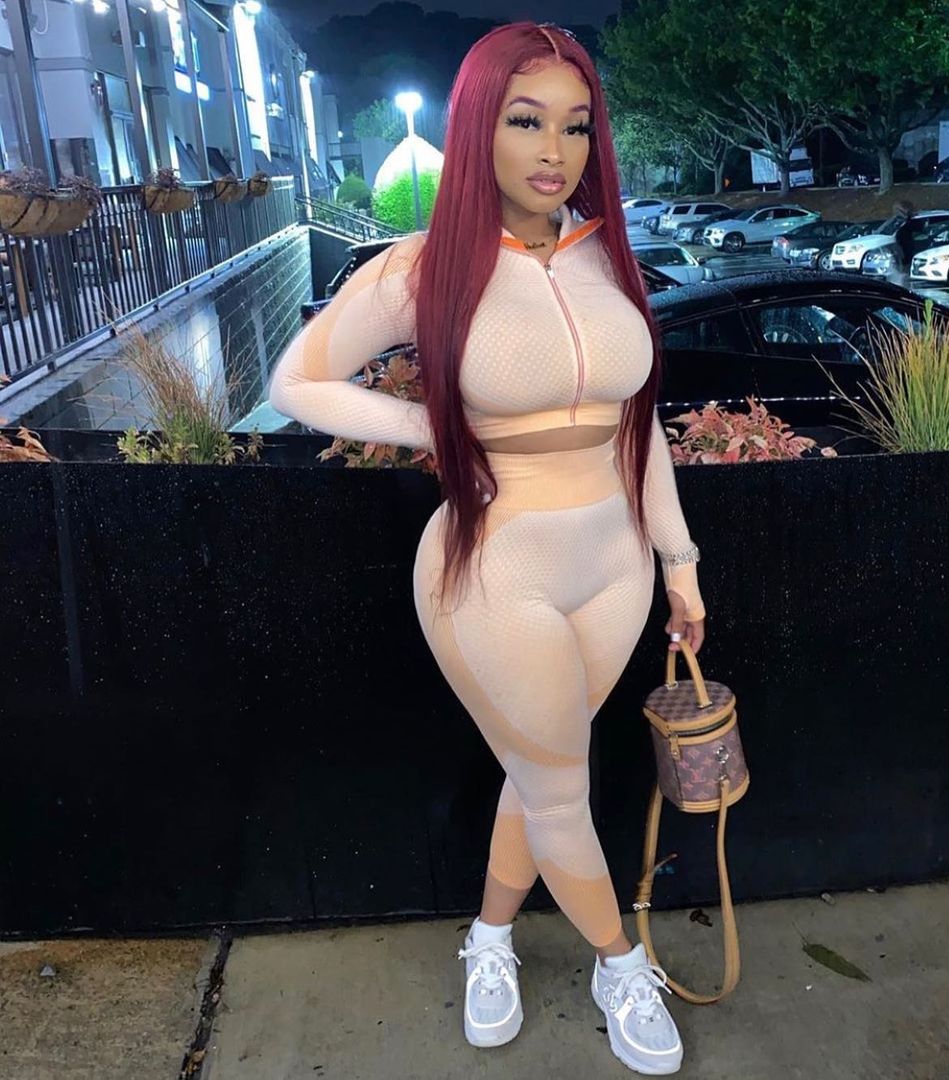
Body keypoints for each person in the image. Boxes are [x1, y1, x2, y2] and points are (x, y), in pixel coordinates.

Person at [268, 20, 706, 1075]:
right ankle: (619, 963)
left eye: (575, 125)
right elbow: (297, 380)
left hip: (617, 567)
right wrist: (434, 427)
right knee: (557, 785)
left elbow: (638, 425)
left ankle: (492, 938)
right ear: (479, 128)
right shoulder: (425, 266)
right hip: (495, 568)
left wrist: (679, 563)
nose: (554, 150)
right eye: (525, 120)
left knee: (537, 771)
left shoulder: (607, 255)